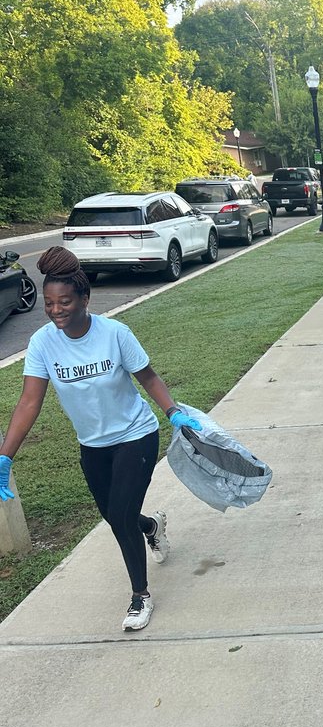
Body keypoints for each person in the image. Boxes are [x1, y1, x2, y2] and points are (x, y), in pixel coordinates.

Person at [0, 247, 202, 633]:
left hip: (135, 435)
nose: (56, 310)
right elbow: (29, 401)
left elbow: (149, 378)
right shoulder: (43, 343)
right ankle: (151, 527)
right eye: (49, 303)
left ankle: (140, 595)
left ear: (84, 299)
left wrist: (173, 413)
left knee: (120, 516)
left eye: (65, 302)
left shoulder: (114, 333)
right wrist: (5, 456)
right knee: (115, 516)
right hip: (92, 445)